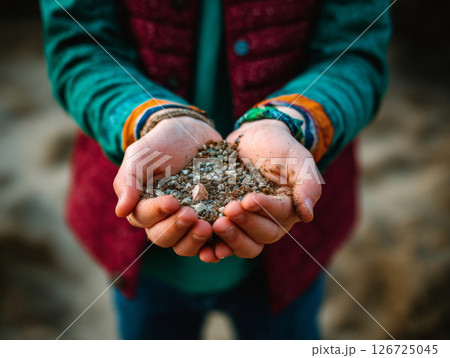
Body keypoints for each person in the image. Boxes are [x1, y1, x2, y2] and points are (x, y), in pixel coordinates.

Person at [40, 0, 391, 339]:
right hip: (140, 248)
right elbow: (79, 40)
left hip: (292, 246)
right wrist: (149, 118)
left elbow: (354, 51)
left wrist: (290, 122)